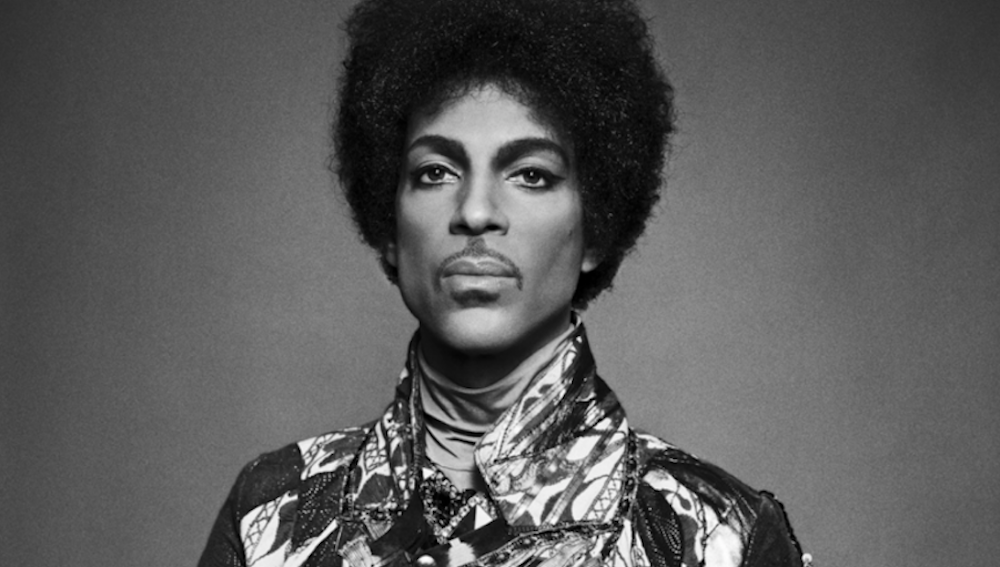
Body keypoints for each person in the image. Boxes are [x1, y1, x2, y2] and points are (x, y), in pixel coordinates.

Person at [199, 0, 809, 565]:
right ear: (389, 226)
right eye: (436, 171)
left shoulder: (716, 535)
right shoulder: (271, 513)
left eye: (531, 174)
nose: (475, 212)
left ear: (595, 229)